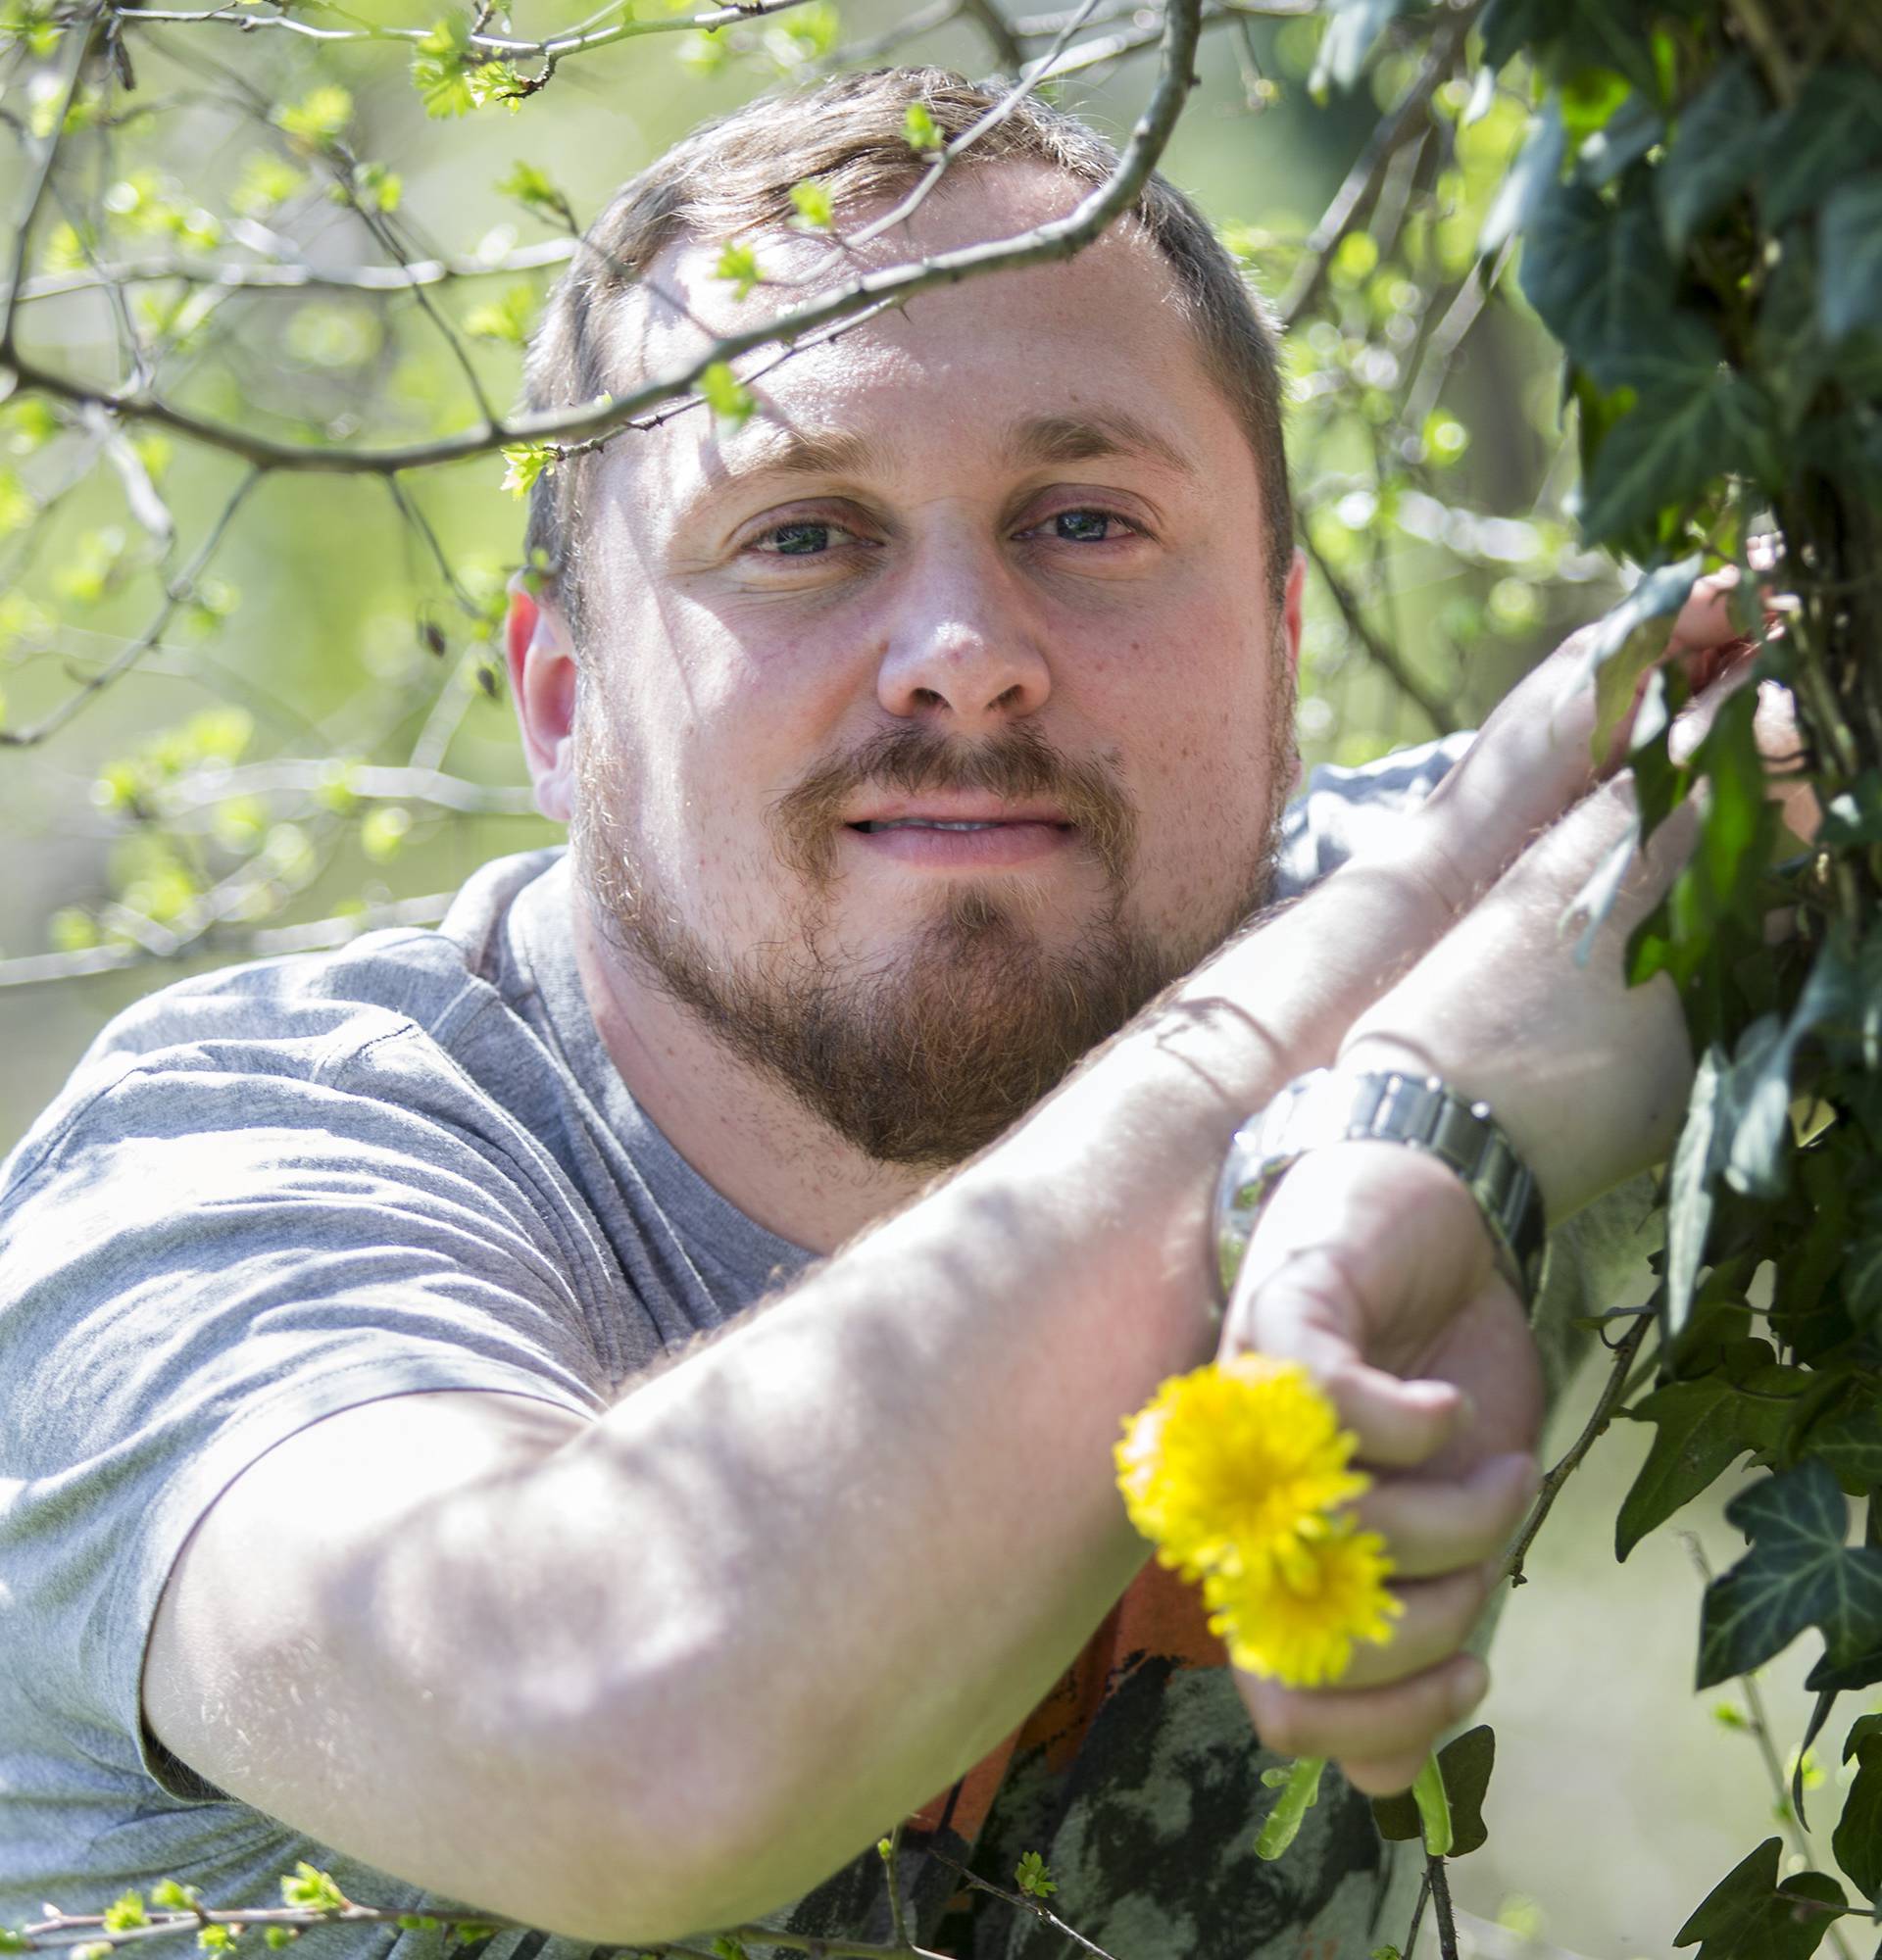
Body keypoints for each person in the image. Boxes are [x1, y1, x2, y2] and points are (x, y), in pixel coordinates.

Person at [0, 67, 1735, 1960]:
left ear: (1286, 645)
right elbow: (623, 1740)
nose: (967, 659)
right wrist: (1411, 993)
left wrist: (1427, 1119)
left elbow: (1799, 741)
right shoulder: (226, 1181)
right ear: (567, 704)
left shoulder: (1490, 907)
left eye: (1086, 521)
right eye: (802, 535)